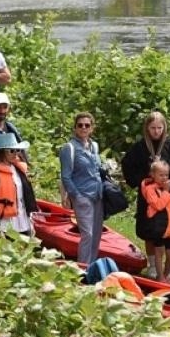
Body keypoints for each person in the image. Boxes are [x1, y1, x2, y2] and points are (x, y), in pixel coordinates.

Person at [59, 112, 107, 265]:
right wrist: (76, 196)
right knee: (87, 234)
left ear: (92, 128)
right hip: (82, 195)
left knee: (97, 234)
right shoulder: (69, 148)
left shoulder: (94, 146)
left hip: (97, 195)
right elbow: (66, 176)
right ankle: (82, 268)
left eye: (87, 125)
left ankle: (91, 267)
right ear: (75, 128)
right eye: (80, 125)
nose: (83, 128)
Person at [0, 132, 34, 233]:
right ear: (1, 152)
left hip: (24, 225)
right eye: (11, 151)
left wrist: (31, 224)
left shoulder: (19, 170)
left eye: (17, 150)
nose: (16, 153)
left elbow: (24, 201)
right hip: (4, 228)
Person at [135, 158, 170, 280]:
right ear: (152, 175)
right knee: (159, 251)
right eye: (161, 175)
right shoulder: (150, 189)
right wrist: (165, 191)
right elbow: (158, 205)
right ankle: (160, 277)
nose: (164, 178)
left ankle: (166, 275)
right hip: (158, 227)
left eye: (166, 175)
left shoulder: (169, 187)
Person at [120, 111, 170, 192]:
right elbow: (126, 164)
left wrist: (164, 165)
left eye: (159, 128)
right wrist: (140, 179)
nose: (156, 131)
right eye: (153, 128)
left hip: (166, 191)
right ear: (147, 128)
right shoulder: (140, 146)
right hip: (146, 193)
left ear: (164, 128)